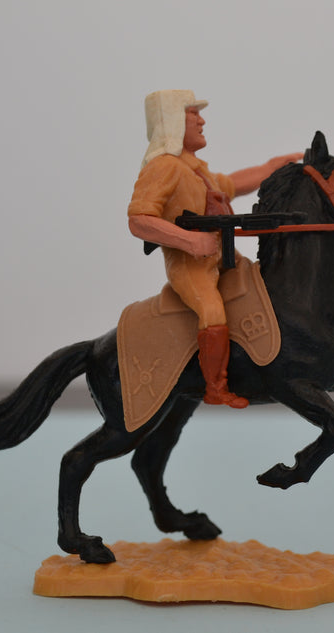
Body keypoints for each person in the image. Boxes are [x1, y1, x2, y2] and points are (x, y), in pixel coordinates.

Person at [127, 90, 302, 408]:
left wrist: (270, 167)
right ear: (174, 121)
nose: (202, 121)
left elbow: (233, 183)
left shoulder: (197, 170)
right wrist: (190, 241)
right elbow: (139, 219)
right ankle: (216, 387)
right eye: (194, 114)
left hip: (224, 258)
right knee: (212, 310)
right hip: (191, 266)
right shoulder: (163, 167)